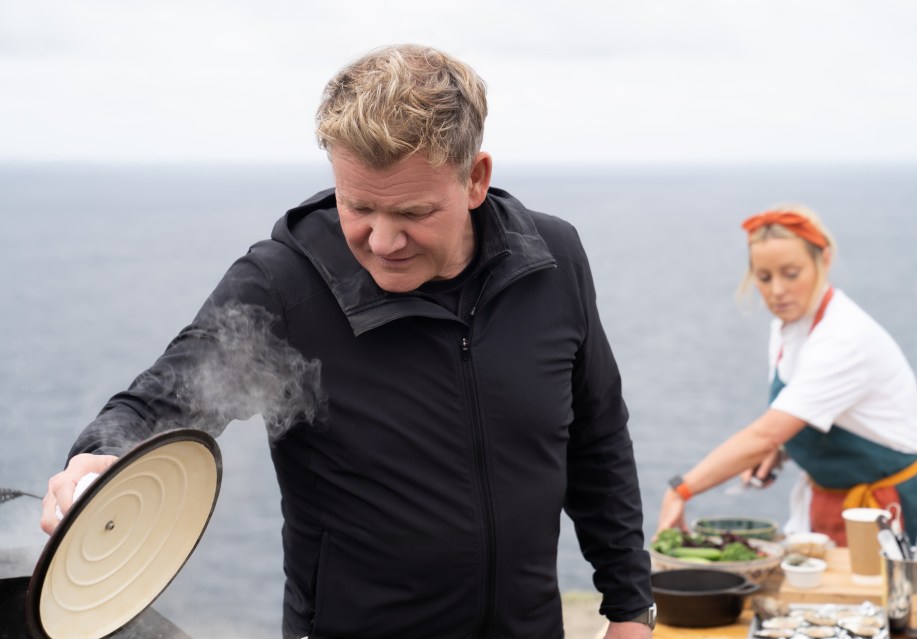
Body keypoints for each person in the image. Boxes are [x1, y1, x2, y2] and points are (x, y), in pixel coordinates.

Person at [40, 44, 655, 639]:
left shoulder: (553, 260)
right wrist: (102, 456)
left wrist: (631, 603)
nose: (383, 241)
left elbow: (597, 437)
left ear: (475, 179)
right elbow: (159, 403)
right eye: (358, 206)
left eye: (412, 213)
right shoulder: (282, 287)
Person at [657, 205, 917, 549]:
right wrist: (786, 449)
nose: (777, 291)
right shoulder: (787, 329)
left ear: (824, 261)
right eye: (765, 277)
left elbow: (767, 433)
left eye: (791, 273)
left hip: (895, 509)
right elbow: (803, 419)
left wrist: (681, 488)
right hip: (831, 503)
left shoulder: (844, 338)